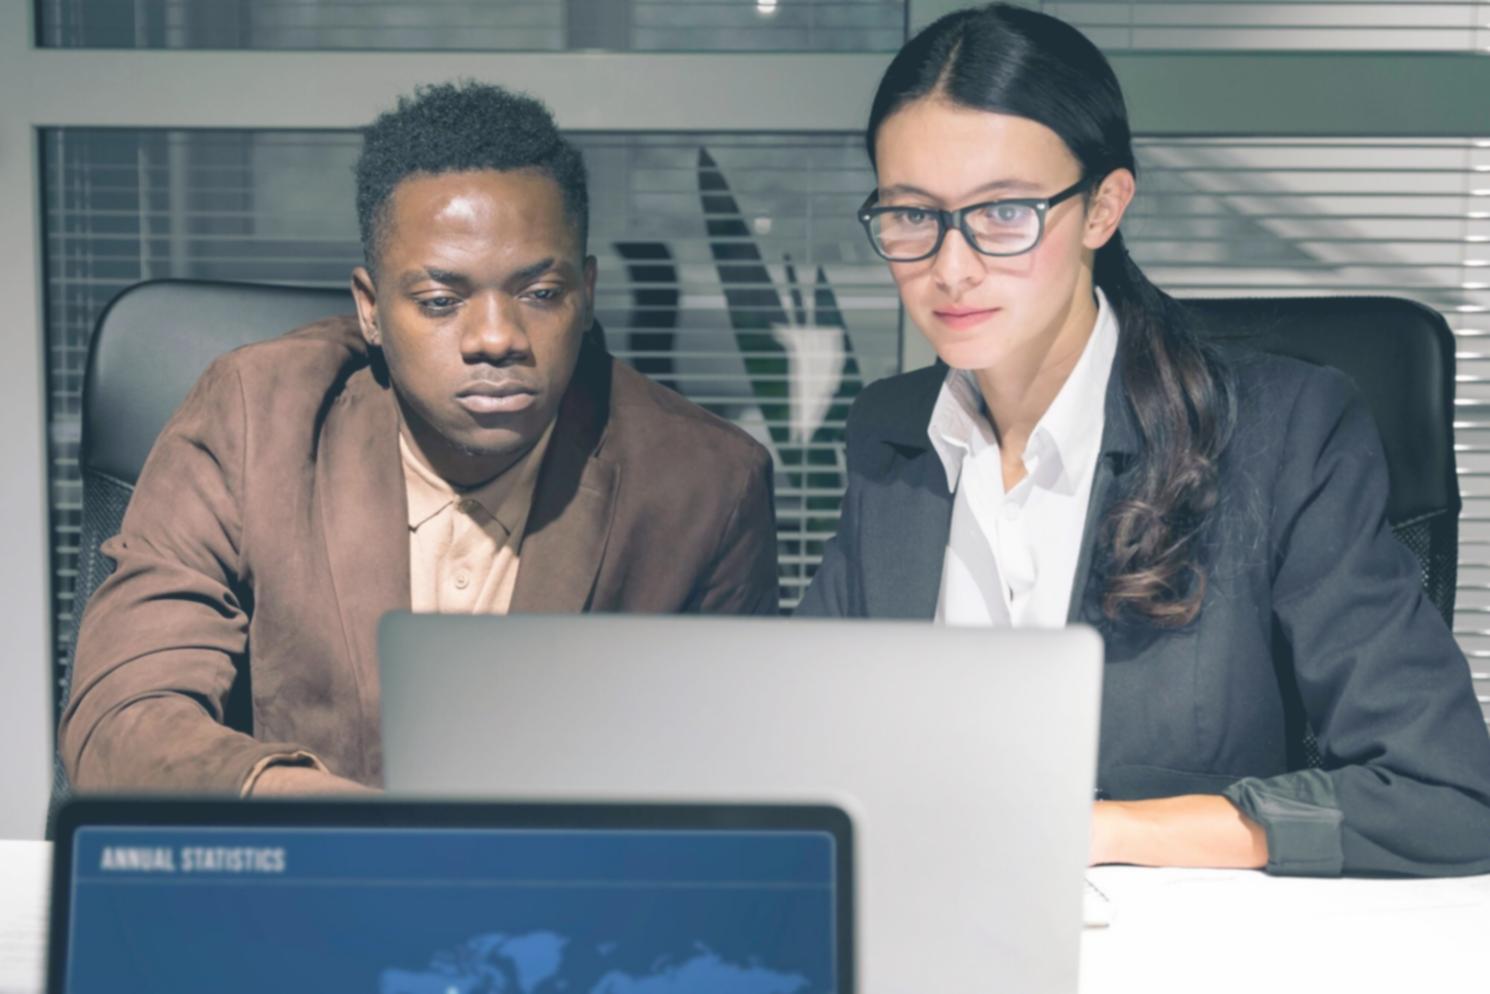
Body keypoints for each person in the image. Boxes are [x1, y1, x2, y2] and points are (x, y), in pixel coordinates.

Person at [798, 3, 1490, 876]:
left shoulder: (1283, 433)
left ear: (1102, 207)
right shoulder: (891, 435)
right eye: (910, 216)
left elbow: (1446, 794)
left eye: (1003, 213)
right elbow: (808, 746)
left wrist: (1105, 832)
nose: (951, 266)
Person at [59, 82, 779, 797]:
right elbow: (122, 719)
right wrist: (340, 827)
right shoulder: (253, 418)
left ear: (586, 295)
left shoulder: (706, 483)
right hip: (305, 887)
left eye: (541, 294)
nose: (496, 338)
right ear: (371, 309)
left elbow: (733, 782)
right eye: (441, 301)